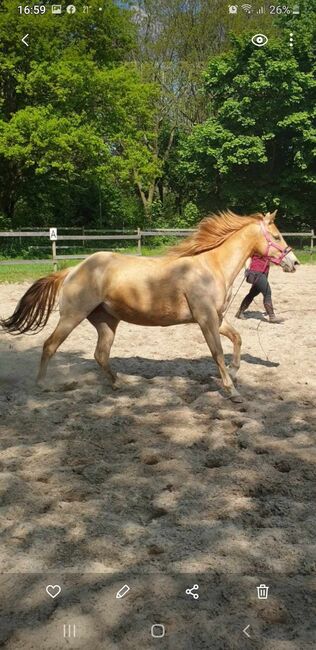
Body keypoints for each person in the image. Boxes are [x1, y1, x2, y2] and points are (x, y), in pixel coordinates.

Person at [235, 253, 283, 323]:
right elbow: (248, 257)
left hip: (263, 273)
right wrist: (247, 269)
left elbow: (271, 259)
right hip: (257, 273)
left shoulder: (266, 248)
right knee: (267, 293)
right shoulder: (257, 247)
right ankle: (272, 317)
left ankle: (240, 312)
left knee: (252, 294)